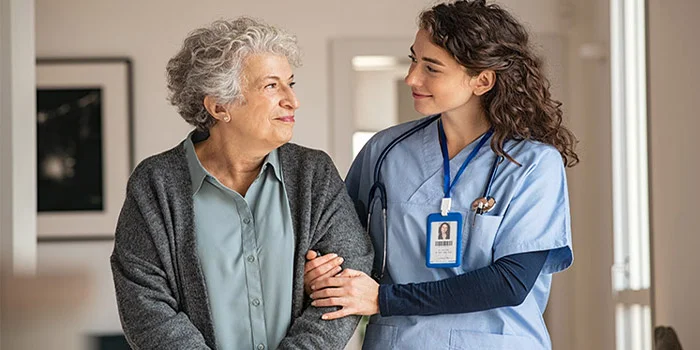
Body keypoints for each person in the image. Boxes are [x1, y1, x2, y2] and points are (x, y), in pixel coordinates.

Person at [302, 1, 578, 349]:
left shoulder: (533, 164)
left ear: (482, 80)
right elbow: (340, 244)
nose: (411, 77)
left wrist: (385, 300)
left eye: (431, 67)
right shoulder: (384, 151)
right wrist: (323, 273)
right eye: (413, 59)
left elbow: (510, 281)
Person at [110, 17, 373, 350]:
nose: (292, 100)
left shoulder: (313, 174)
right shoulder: (156, 184)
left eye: (290, 83)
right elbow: (145, 305)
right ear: (220, 106)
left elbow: (347, 282)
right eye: (271, 86)